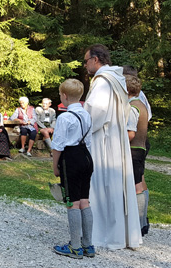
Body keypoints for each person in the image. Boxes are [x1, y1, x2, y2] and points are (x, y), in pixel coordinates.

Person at [83, 44, 141, 249]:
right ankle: (121, 234)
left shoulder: (103, 81)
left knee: (102, 184)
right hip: (116, 138)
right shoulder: (116, 78)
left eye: (86, 60)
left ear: (96, 59)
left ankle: (103, 234)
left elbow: (96, 112)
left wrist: (82, 127)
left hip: (103, 140)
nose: (85, 65)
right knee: (115, 186)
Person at [52, 79, 94, 259]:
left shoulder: (65, 117)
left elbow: (58, 145)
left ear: (64, 96)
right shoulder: (87, 115)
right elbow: (90, 141)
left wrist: (55, 166)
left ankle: (75, 247)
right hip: (86, 157)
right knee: (85, 200)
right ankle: (88, 244)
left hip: (71, 158)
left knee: (72, 202)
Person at [125, 74, 150, 237]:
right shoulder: (141, 104)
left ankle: (139, 224)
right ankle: (141, 223)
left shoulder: (132, 107)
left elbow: (130, 133)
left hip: (133, 150)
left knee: (136, 186)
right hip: (140, 149)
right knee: (139, 182)